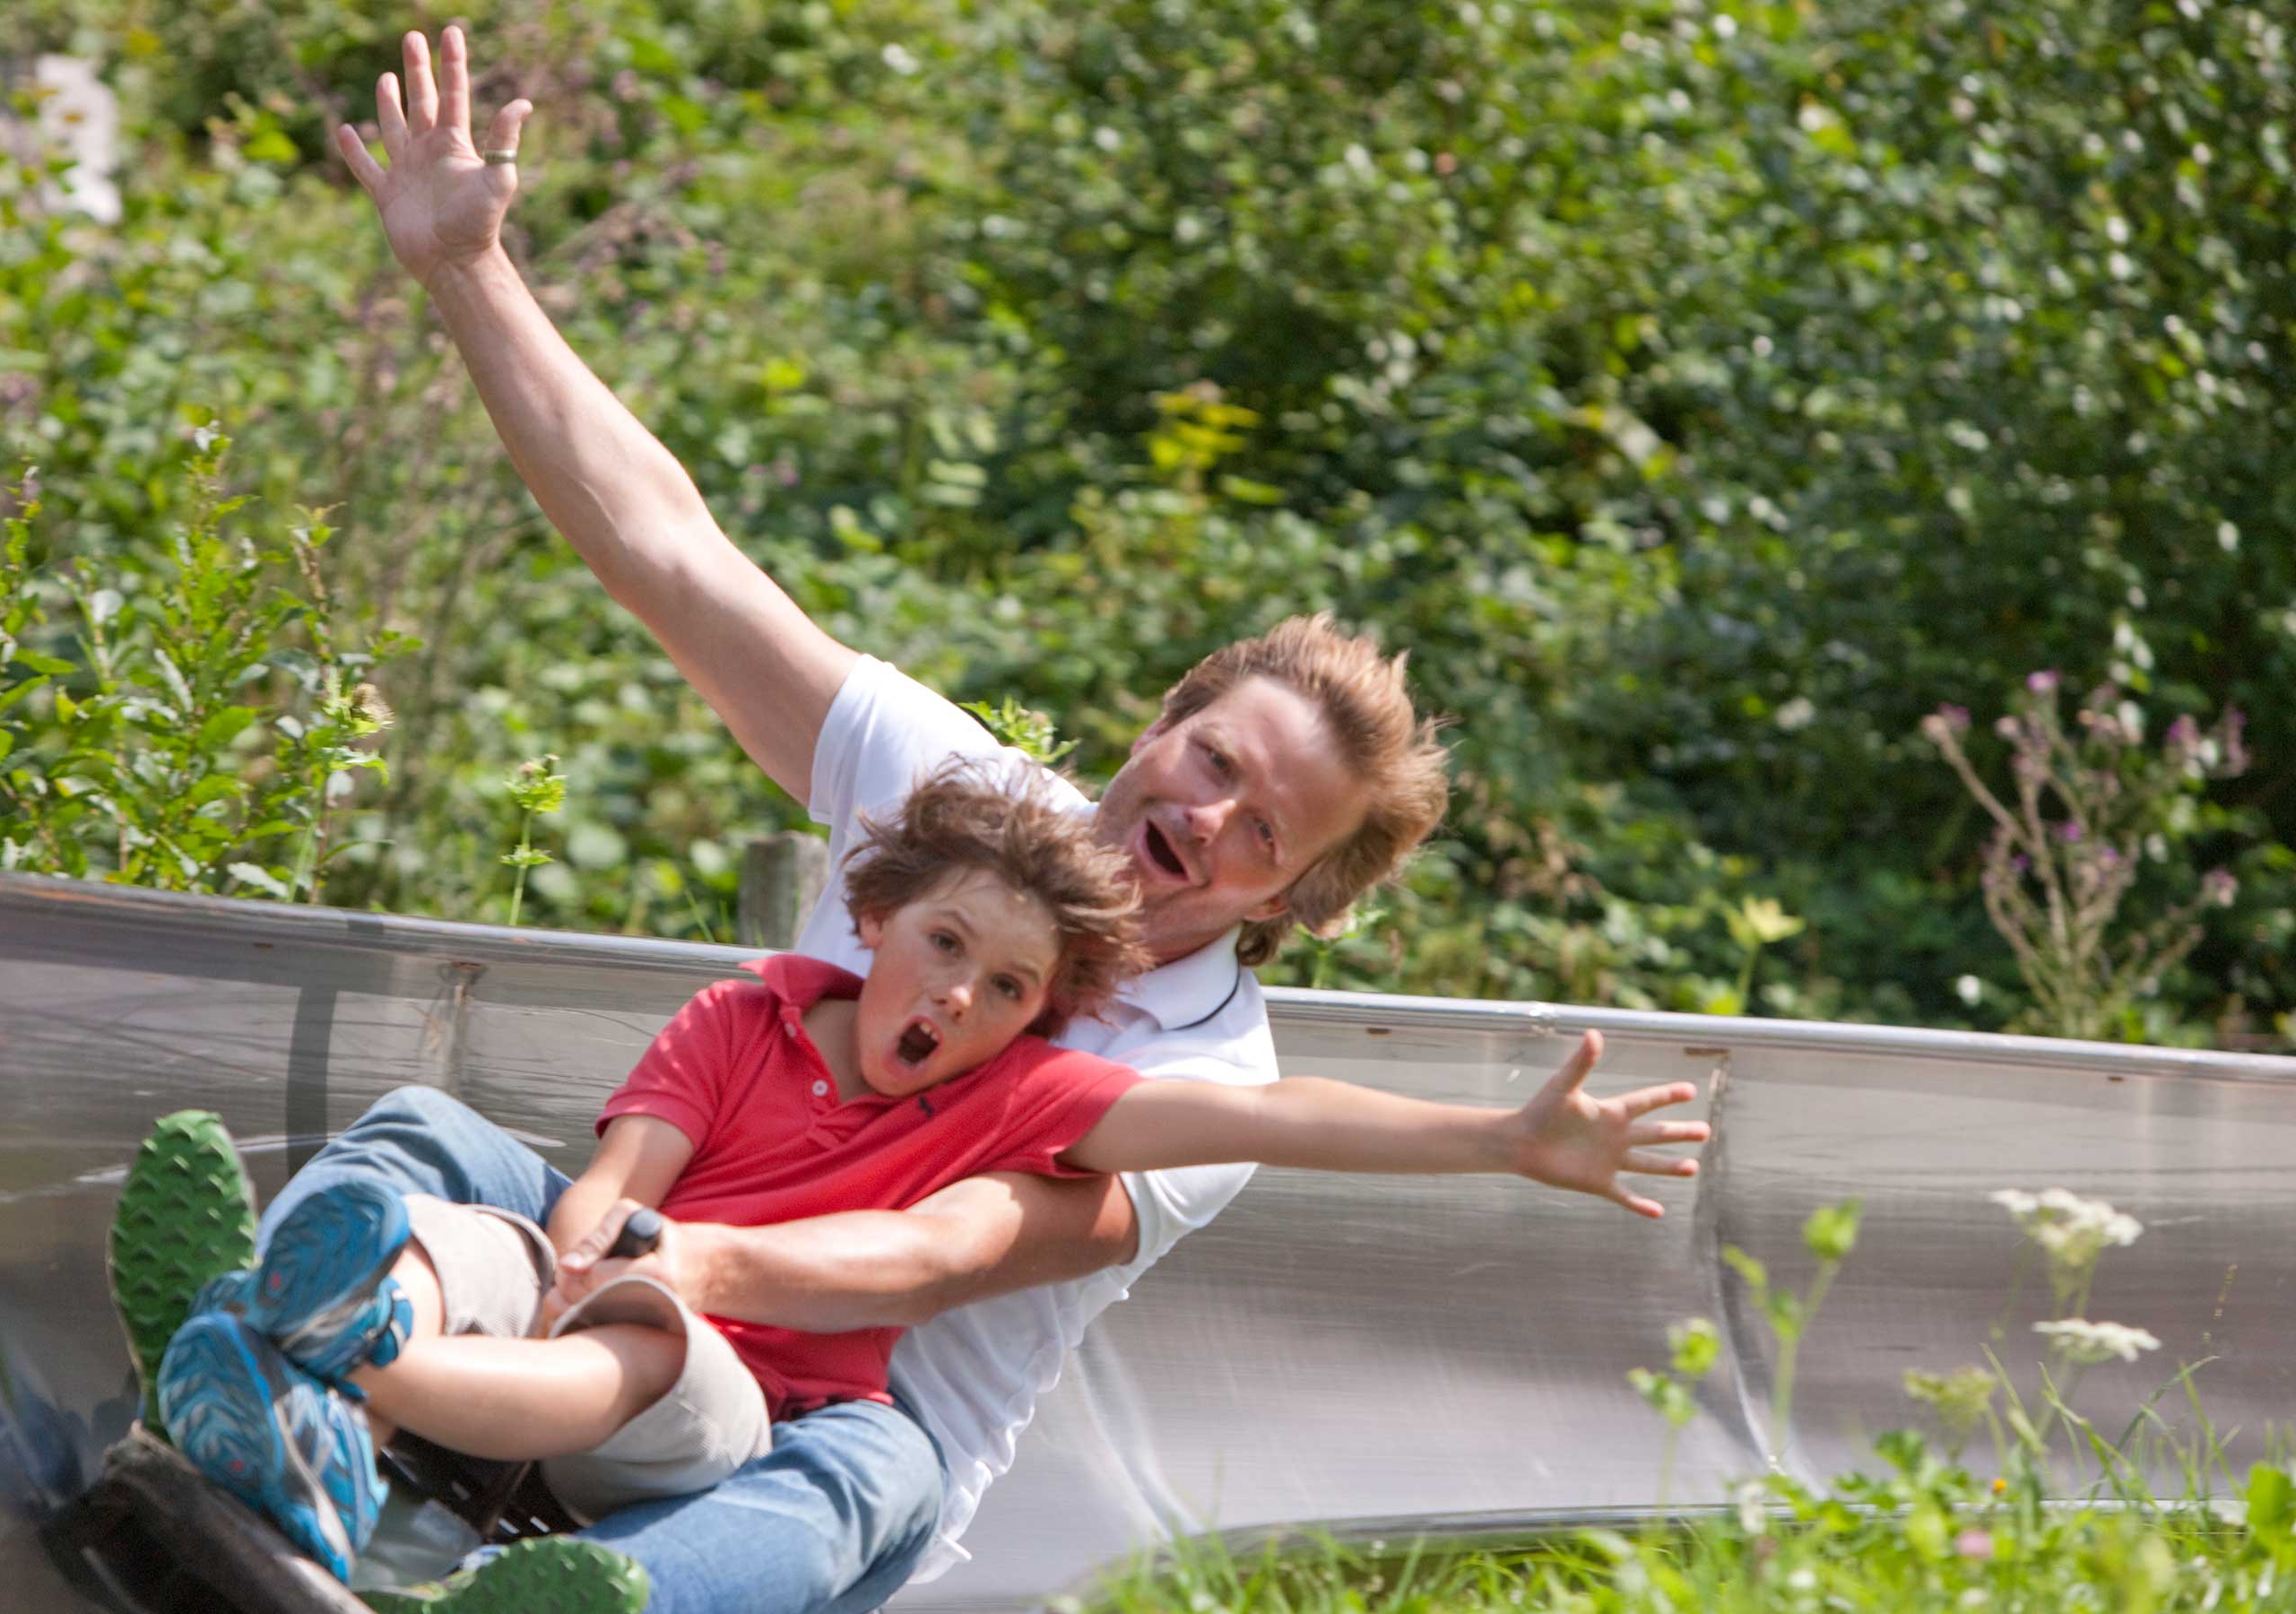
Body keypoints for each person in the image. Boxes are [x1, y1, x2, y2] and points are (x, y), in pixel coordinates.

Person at [206, 22, 1720, 1611]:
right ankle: (260, 1382)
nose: (1207, 818)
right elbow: (675, 555)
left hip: (836, 1396)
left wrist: (693, 1266)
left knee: (870, 1482)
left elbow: (953, 1253)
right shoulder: (964, 803)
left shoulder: (1198, 1067)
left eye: (1263, 831)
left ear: (1295, 902)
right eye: (1212, 758)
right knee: (428, 1141)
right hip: (638, 1257)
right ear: (1162, 721)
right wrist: (466, 269)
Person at [143, 769, 1709, 1604]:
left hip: (718, 1391)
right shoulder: (750, 1009)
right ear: (877, 919)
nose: (958, 1001)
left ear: (1044, 1021)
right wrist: (584, 1232)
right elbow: (629, 1162)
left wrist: (1496, 1138)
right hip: (572, 1271)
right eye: (945, 951)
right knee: (444, 1194)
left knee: (733, 1390)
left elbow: (1283, 1116)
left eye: (1010, 988)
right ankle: (282, 1360)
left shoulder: (1028, 1099)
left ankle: (519, 1552)